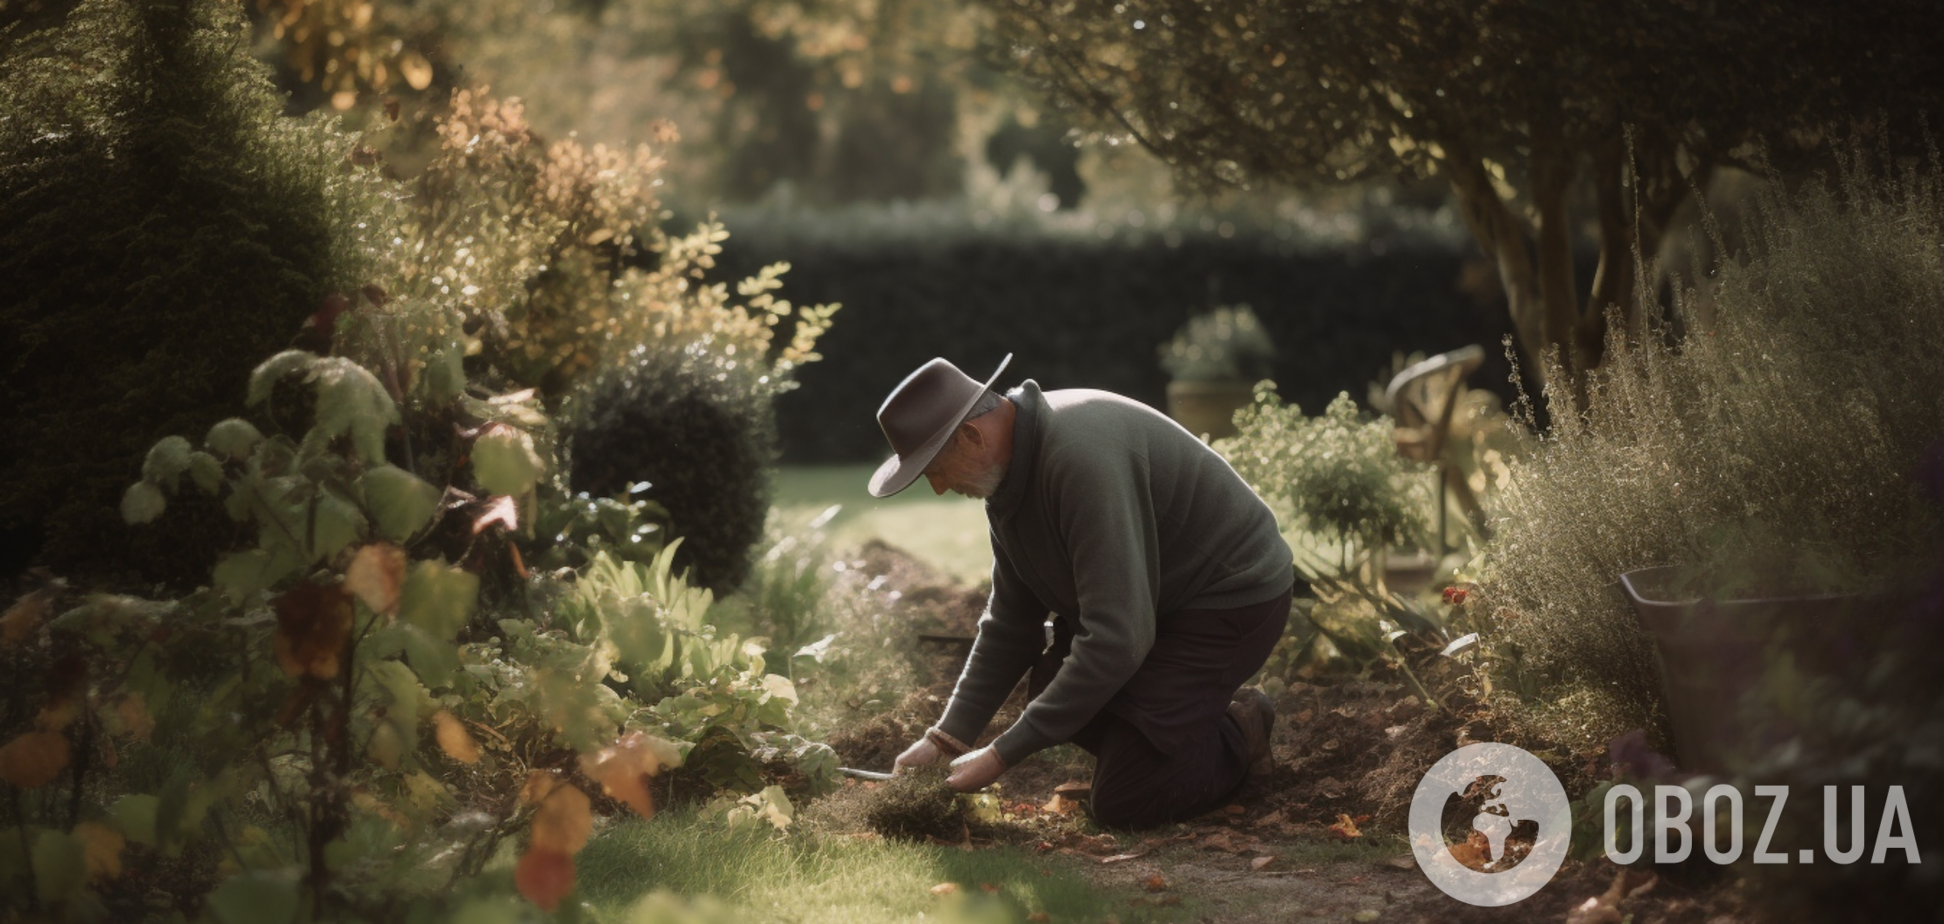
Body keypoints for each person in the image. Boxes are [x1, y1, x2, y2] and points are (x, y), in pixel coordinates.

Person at [869, 353, 1293, 829]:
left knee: (1126, 801)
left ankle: (1240, 729)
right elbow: (1011, 624)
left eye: (936, 470)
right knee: (1053, 684)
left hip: (1228, 599)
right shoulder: (1008, 483)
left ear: (971, 435)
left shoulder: (1080, 457)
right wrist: (946, 739)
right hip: (1153, 604)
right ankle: (1178, 724)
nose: (941, 489)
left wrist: (1002, 755)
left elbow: (1118, 638)